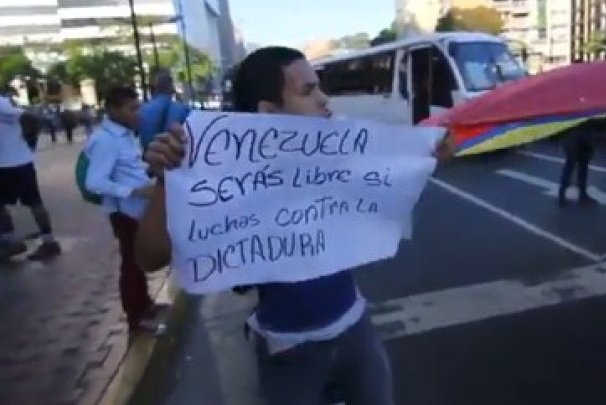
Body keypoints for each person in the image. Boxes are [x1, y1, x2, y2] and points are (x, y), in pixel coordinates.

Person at [135, 47, 455, 404]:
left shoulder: (336, 155)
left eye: (319, 88)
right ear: (268, 111)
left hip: (355, 329)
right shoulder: (223, 178)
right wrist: (168, 179)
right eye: (307, 92)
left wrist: (428, 155)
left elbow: (390, 182)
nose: (325, 102)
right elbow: (149, 258)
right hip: (287, 350)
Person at [84, 86, 164, 333]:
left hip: (138, 210)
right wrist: (135, 192)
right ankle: (135, 317)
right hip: (124, 212)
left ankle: (145, 304)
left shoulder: (125, 135)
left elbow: (129, 169)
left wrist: (148, 171)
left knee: (138, 261)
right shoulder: (105, 140)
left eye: (137, 106)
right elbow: (95, 182)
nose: (138, 113)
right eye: (132, 108)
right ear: (113, 110)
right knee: (131, 264)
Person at [0, 89, 61, 261]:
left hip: (12, 163)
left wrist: (30, 139)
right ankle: (9, 241)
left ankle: (49, 243)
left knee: (34, 202)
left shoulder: (1, 104)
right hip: (13, 162)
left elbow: (30, 117)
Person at [138, 71, 190, 152]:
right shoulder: (184, 110)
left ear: (155, 87)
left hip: (147, 158)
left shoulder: (141, 110)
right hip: (176, 157)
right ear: (171, 86)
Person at [558, 120, 597, 206]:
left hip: (577, 132)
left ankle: (565, 194)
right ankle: (566, 194)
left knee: (576, 166)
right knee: (574, 165)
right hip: (579, 132)